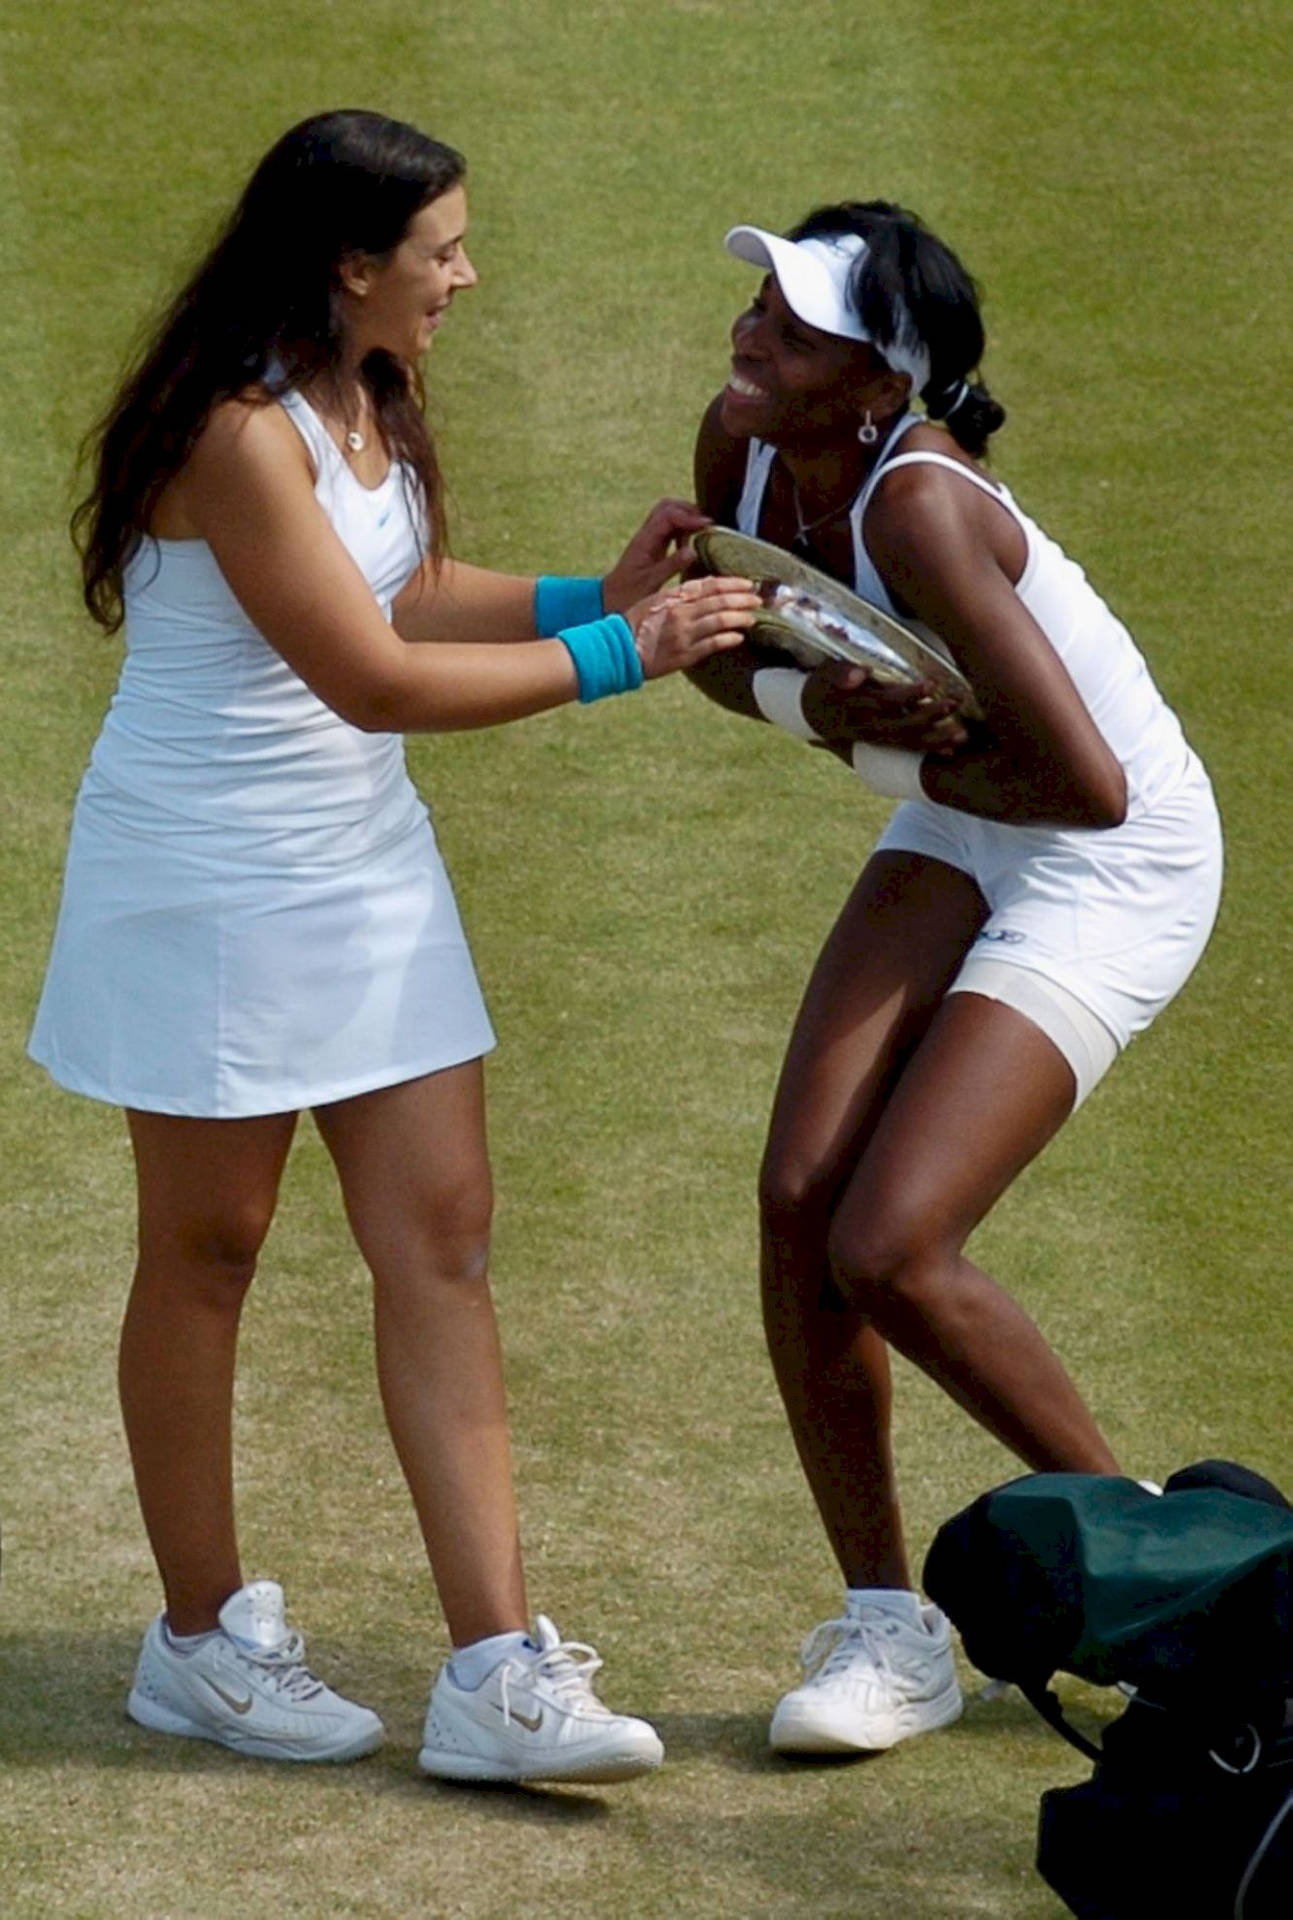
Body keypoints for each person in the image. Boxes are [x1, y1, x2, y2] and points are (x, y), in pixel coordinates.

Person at [27, 109, 759, 1784]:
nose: (465, 277)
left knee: (444, 1245)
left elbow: (405, 591)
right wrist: (626, 656)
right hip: (206, 887)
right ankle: (197, 1643)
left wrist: (590, 591)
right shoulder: (234, 434)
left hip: (367, 875)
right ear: (349, 264)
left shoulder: (365, 393)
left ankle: (498, 1672)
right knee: (208, 1251)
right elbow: (369, 680)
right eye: (441, 253)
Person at [687, 201, 1222, 1758]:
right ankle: (883, 1627)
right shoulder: (741, 442)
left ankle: (1183, 1591)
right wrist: (819, 709)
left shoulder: (921, 504)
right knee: (800, 1201)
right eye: (757, 311)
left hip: (1110, 856)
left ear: (871, 387)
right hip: (968, 810)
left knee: (895, 1246)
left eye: (789, 329)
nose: (748, 341)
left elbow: (1090, 787)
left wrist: (863, 731)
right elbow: (726, 654)